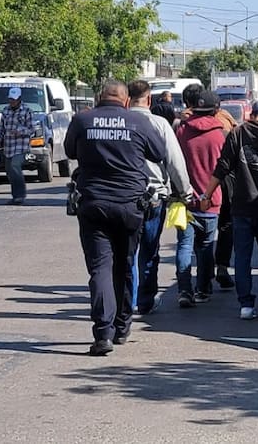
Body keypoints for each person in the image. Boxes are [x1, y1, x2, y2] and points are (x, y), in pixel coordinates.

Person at [64, 80, 167, 356]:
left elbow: (70, 152)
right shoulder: (138, 122)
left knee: (100, 268)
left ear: (99, 98)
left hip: (94, 205)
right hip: (130, 206)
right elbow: (158, 153)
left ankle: (103, 334)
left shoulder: (82, 120)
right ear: (125, 101)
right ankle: (122, 327)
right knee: (125, 264)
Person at [200, 99, 258, 320]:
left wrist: (206, 195)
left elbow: (222, 167)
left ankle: (246, 305)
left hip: (241, 206)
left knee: (242, 257)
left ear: (252, 114)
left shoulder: (238, 134)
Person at [127, 80, 192, 315]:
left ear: (127, 99)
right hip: (154, 196)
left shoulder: (120, 123)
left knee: (128, 252)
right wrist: (185, 193)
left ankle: (129, 299)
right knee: (149, 251)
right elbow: (175, 162)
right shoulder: (159, 124)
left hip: (125, 197)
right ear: (149, 100)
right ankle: (144, 301)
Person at [173, 89, 227, 308]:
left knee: (184, 245)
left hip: (184, 199)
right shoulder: (220, 134)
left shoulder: (182, 131)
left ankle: (184, 290)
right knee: (205, 246)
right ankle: (203, 289)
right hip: (211, 200)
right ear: (215, 110)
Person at [0, 86, 36, 205]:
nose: (12, 102)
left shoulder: (27, 111)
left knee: (15, 166)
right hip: (8, 147)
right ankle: (15, 195)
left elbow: (32, 129)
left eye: (14, 99)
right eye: (10, 99)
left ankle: (20, 195)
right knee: (10, 171)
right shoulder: (5, 111)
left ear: (19, 98)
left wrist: (20, 131)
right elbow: (1, 127)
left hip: (21, 147)